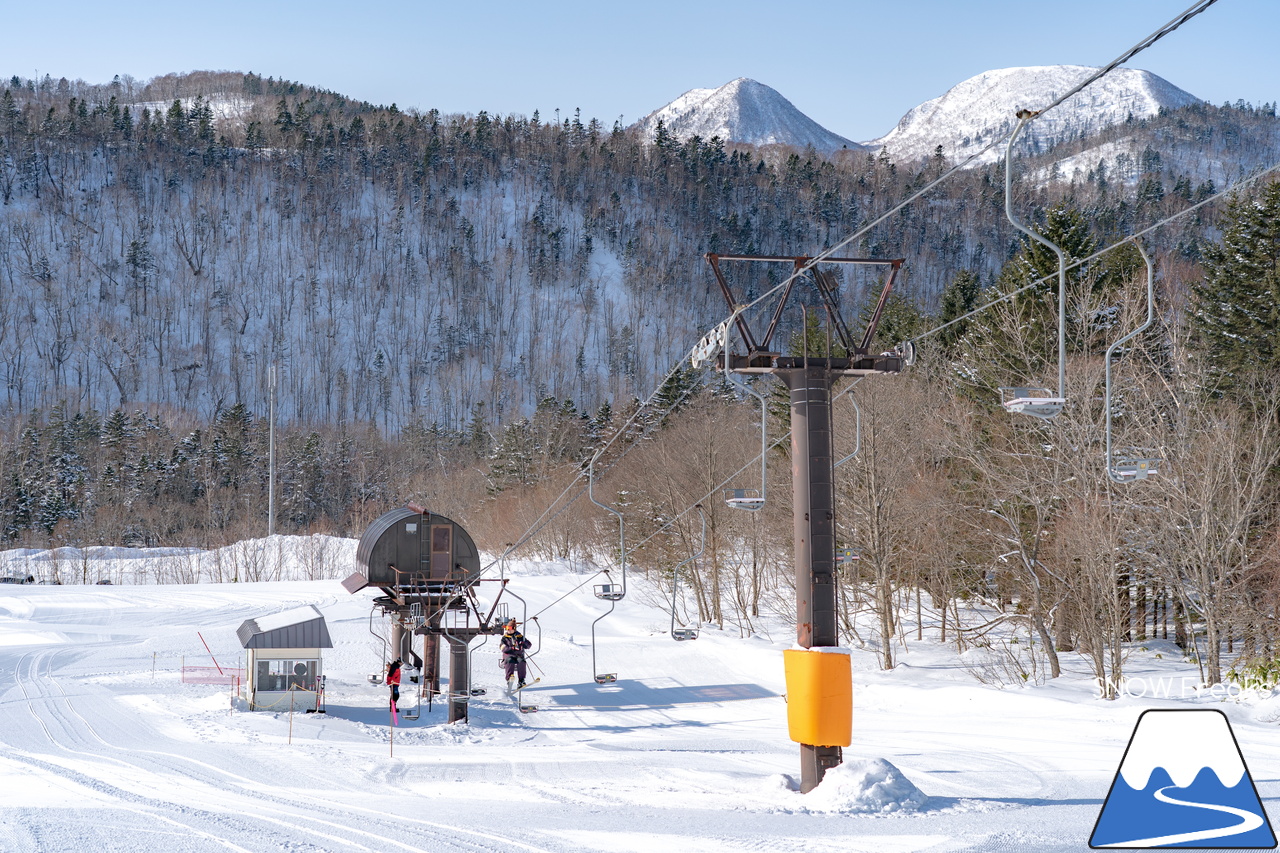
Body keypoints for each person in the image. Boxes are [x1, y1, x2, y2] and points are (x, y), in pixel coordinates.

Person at [500, 619, 532, 689]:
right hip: (509, 655)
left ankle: (521, 680)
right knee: (510, 661)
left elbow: (529, 645)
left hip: (518, 655)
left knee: (522, 661)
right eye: (507, 628)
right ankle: (509, 680)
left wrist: (523, 643)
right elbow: (502, 648)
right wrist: (512, 648)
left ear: (514, 629)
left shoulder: (520, 637)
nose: (508, 630)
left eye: (510, 628)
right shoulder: (505, 638)